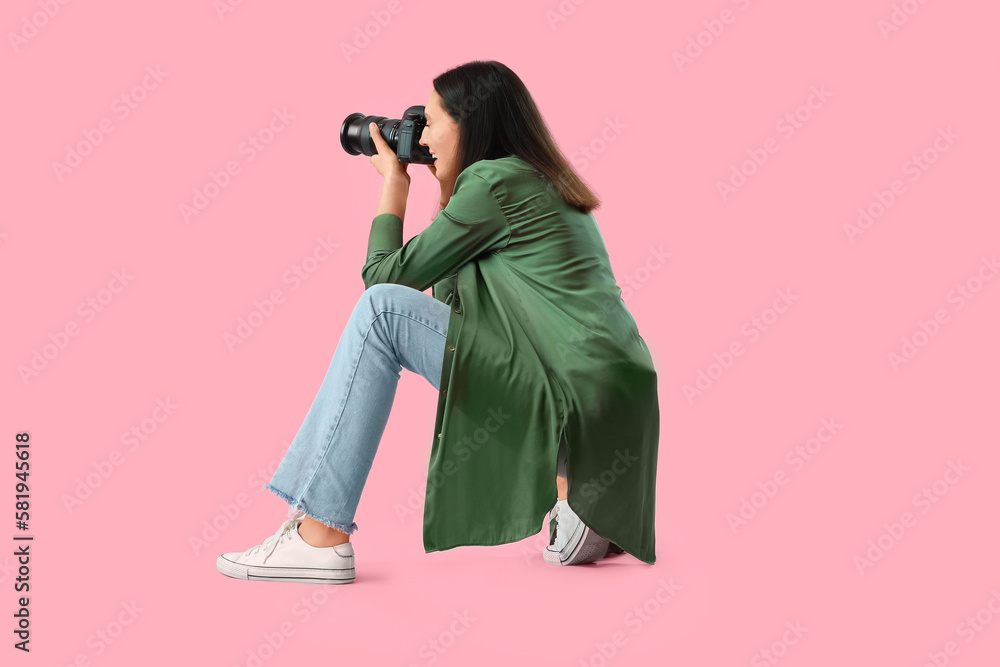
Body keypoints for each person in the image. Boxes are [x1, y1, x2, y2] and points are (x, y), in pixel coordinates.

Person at [216, 60, 659, 585]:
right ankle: (577, 498)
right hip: (609, 419)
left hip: (561, 399)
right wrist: (447, 186)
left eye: (429, 122)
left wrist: (394, 185)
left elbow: (387, 281)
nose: (420, 137)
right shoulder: (537, 179)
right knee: (396, 312)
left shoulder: (493, 183)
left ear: (469, 125)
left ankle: (319, 537)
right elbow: (455, 306)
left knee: (379, 311)